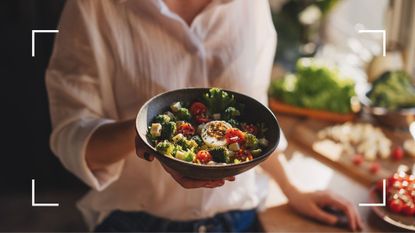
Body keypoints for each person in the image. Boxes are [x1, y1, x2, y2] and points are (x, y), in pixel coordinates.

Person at [46, 0, 362, 232]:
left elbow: (252, 114)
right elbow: (71, 135)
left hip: (239, 219)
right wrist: (143, 133)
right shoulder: (93, 7)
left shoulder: (251, 5)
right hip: (137, 222)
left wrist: (293, 190)